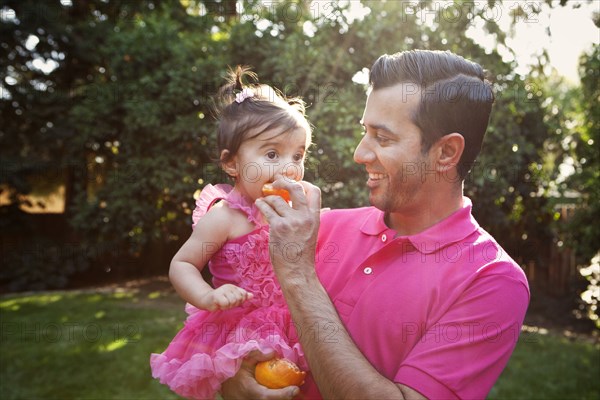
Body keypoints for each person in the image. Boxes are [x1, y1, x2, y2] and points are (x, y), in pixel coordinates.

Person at [222, 50, 530, 399]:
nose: (360, 153)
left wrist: (298, 276)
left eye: (382, 138)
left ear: (446, 153)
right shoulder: (317, 228)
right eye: (365, 132)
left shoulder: (491, 280)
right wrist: (232, 378)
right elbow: (237, 331)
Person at [150, 66, 312, 399]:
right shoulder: (224, 218)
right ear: (232, 164)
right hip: (242, 327)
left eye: (298, 155)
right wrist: (208, 297)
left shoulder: (294, 212)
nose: (289, 167)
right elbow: (182, 264)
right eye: (272, 154)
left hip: (292, 318)